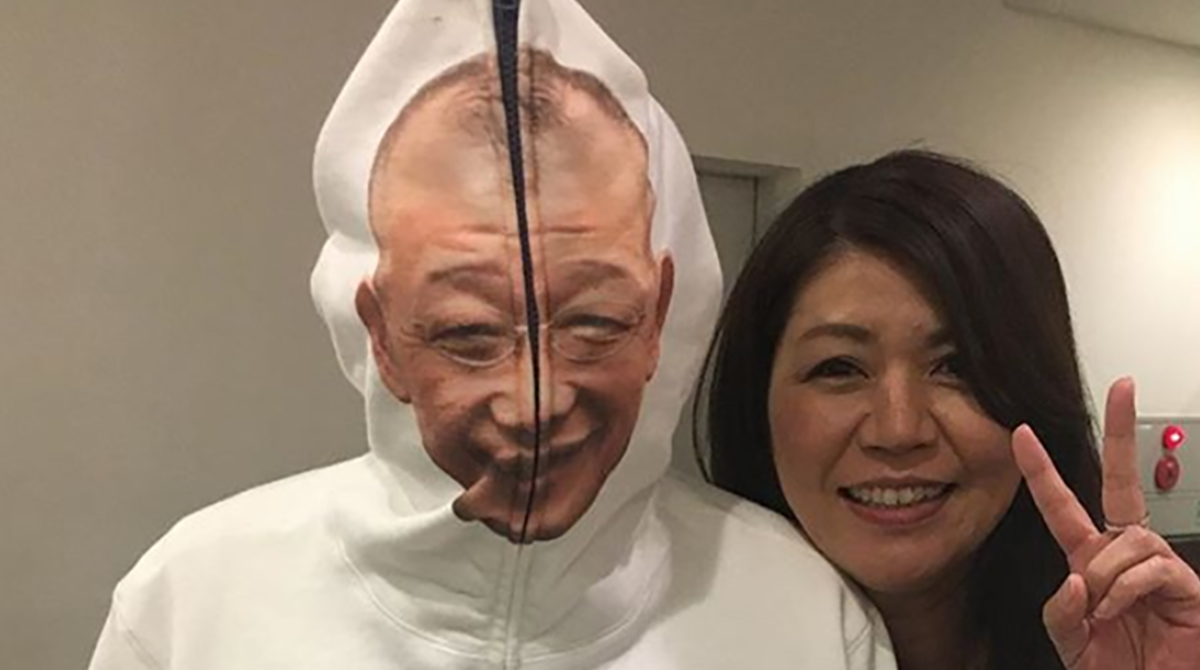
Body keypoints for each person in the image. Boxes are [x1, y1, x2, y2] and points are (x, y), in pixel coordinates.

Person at [87, 1, 896, 668]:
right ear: (379, 333)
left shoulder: (800, 615)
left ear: (659, 315)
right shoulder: (193, 607)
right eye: (467, 333)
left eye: (594, 323)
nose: (534, 403)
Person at [699, 149, 1200, 670]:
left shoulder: (1140, 645)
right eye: (840, 368)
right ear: (756, 399)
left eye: (957, 367)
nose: (898, 429)